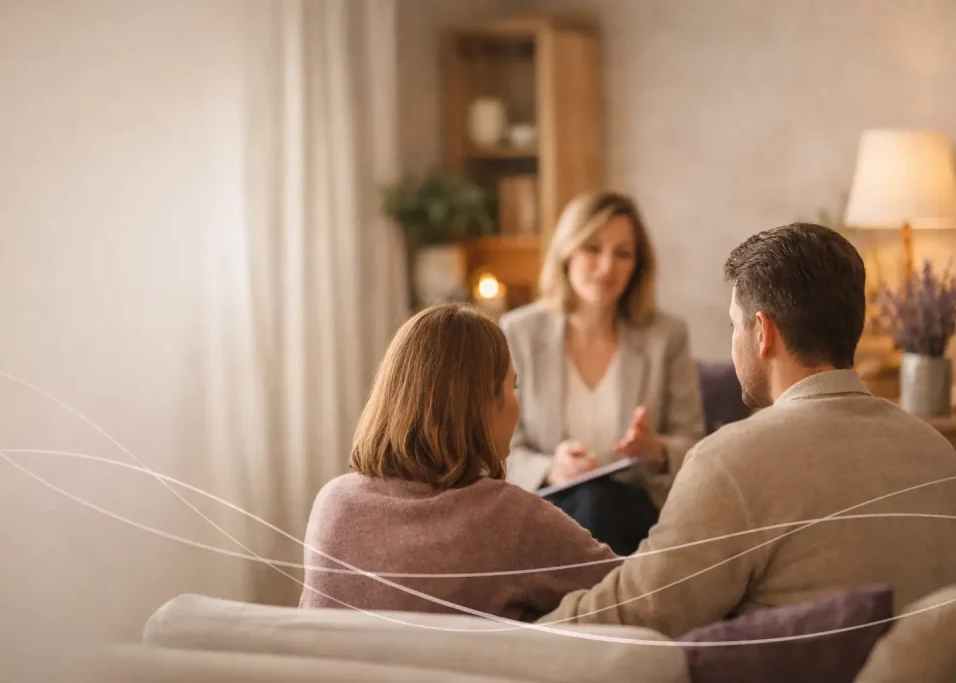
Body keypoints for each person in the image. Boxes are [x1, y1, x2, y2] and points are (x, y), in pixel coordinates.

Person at [538, 222, 956, 637]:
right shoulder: (939, 453)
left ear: (763, 333)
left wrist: (515, 637)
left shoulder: (731, 461)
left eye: (734, 326)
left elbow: (632, 612)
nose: (732, 342)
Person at [299, 303, 618, 621]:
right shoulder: (510, 518)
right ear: (483, 403)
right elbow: (638, 593)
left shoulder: (332, 503)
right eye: (513, 387)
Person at [501, 191, 706, 555]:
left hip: (634, 511)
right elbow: (496, 445)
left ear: (637, 266)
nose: (607, 266)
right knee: (586, 503)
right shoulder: (519, 332)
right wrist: (551, 468)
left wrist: (655, 449)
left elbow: (694, 444)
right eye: (592, 248)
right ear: (566, 252)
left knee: (600, 503)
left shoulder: (666, 336)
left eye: (622, 253)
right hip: (548, 503)